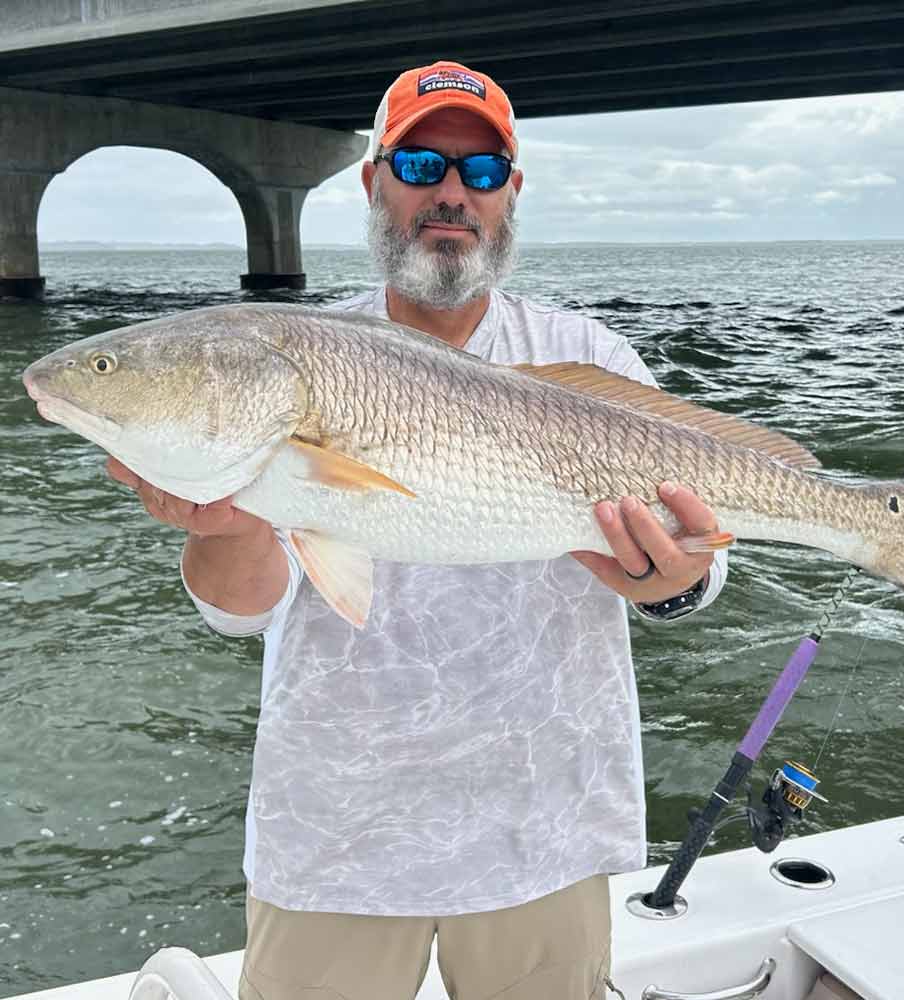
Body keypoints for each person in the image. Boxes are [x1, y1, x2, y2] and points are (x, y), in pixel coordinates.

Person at [108, 60, 728, 1000]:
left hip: (543, 824)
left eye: (481, 173)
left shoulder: (593, 357)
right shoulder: (290, 363)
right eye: (421, 164)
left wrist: (669, 579)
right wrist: (226, 525)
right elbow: (243, 612)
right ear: (373, 182)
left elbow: (703, 566)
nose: (451, 193)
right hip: (336, 833)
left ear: (510, 194)